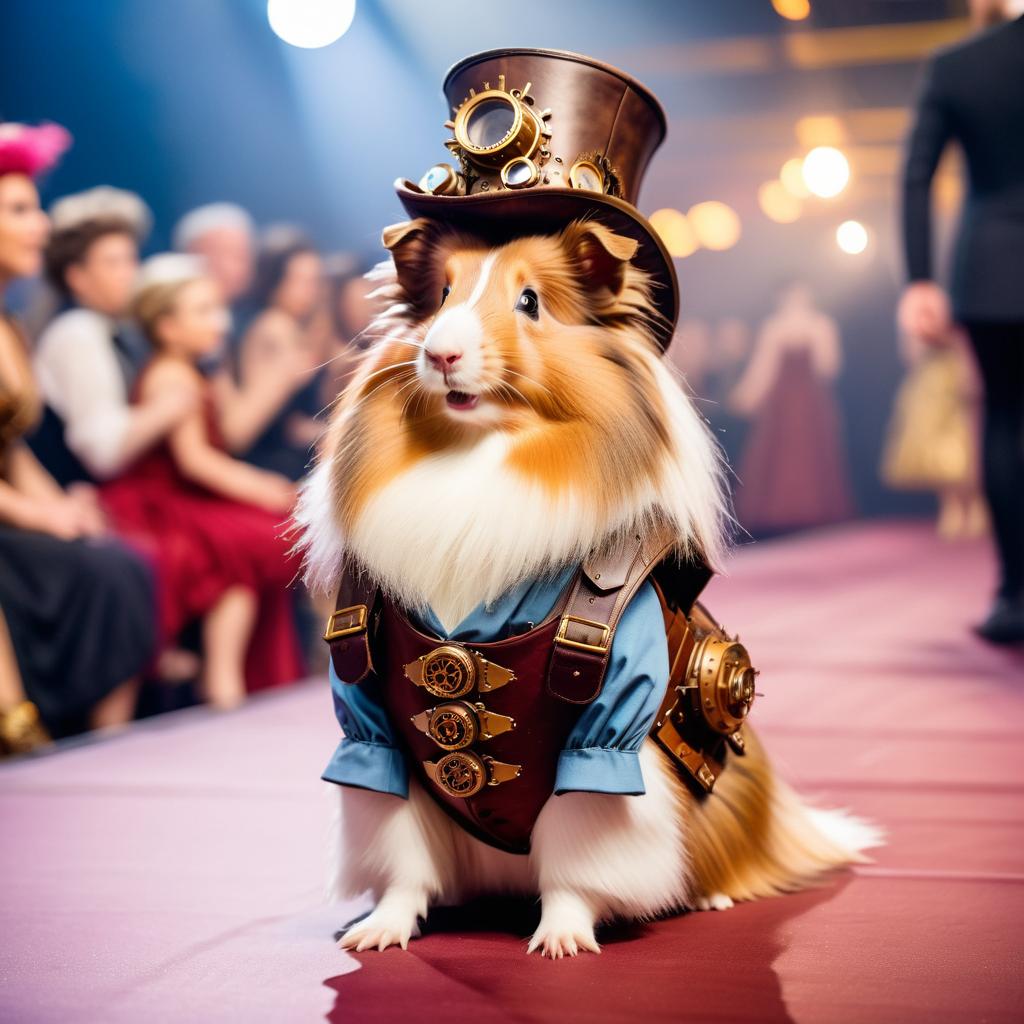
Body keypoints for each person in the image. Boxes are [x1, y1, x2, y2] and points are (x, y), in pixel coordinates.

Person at [0, 122, 155, 754]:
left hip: (14, 509)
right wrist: (42, 515)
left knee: (119, 563)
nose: (40, 225)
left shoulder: (10, 326)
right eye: (19, 210)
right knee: (101, 568)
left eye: (36, 209)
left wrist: (60, 508)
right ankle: (23, 729)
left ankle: (102, 744)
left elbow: (10, 447)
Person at [100, 254, 304, 709]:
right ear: (167, 326)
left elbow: (228, 433)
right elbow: (194, 461)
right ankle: (222, 678)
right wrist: (262, 487)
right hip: (162, 502)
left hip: (187, 498)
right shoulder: (171, 376)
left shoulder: (196, 370)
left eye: (218, 308)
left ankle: (225, 676)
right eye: (204, 312)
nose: (221, 321)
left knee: (243, 557)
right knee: (251, 542)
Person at [899, 0, 1024, 643]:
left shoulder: (958, 64)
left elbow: (917, 175)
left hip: (993, 270)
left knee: (1004, 419)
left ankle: (1014, 595)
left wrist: (920, 277)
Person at [32, 186, 194, 485]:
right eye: (112, 263)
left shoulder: (114, 330)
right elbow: (102, 451)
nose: (128, 273)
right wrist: (169, 406)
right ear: (76, 277)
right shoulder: (76, 332)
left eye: (131, 260)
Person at [729, 282, 854, 535]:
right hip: (784, 408)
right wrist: (745, 397)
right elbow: (763, 370)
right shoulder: (775, 328)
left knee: (811, 456)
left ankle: (813, 516)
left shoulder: (820, 325)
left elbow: (828, 368)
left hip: (809, 406)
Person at [224, 228, 327, 480]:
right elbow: (240, 430)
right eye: (299, 280)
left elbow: (287, 420)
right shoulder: (276, 326)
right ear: (273, 280)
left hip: (282, 453)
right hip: (271, 464)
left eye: (313, 280)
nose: (309, 291)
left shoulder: (284, 323)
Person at [881, 326, 986, 540]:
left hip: (963, 369)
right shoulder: (924, 305)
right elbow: (910, 348)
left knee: (969, 439)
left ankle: (979, 503)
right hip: (934, 377)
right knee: (933, 443)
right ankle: (951, 505)